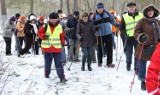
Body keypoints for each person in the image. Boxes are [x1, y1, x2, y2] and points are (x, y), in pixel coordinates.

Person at [134, 4, 160, 90]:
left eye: (152, 11)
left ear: (154, 12)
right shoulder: (141, 21)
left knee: (156, 66)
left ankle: (156, 81)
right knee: (142, 66)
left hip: (156, 47)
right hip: (144, 47)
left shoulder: (157, 21)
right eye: (148, 11)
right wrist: (140, 36)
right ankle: (142, 81)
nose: (150, 12)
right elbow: (136, 32)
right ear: (146, 12)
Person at [38, 12, 67, 83]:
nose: (53, 21)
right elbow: (39, 33)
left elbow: (61, 36)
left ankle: (62, 77)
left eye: (55, 19)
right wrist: (43, 36)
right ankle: (47, 73)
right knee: (48, 63)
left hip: (56, 49)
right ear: (49, 19)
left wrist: (63, 43)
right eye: (52, 19)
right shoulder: (45, 26)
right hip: (47, 49)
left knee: (59, 63)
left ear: (57, 19)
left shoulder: (59, 27)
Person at [92, 2, 119, 67]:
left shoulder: (107, 13)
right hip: (99, 35)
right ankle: (100, 62)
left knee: (109, 48)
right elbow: (91, 25)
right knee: (100, 49)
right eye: (99, 8)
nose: (100, 10)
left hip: (108, 33)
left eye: (101, 8)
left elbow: (112, 20)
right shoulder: (94, 16)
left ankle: (109, 63)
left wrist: (115, 24)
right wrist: (95, 28)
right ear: (97, 9)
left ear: (103, 8)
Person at [120, 2, 143, 71]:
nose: (131, 8)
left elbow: (143, 26)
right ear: (128, 8)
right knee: (129, 53)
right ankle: (128, 63)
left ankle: (136, 67)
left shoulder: (141, 15)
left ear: (135, 7)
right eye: (130, 7)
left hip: (138, 38)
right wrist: (124, 35)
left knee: (137, 53)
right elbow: (122, 28)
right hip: (128, 38)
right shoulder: (124, 16)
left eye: (132, 7)